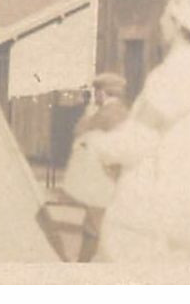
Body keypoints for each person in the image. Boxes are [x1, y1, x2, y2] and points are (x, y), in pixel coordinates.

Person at [86, 0, 190, 264]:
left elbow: (136, 142)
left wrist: (95, 145)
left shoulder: (170, 76)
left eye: (165, 17)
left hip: (143, 218)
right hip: (186, 211)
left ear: (177, 24)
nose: (160, 24)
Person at [67, 72, 131, 262]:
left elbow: (79, 134)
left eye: (97, 91)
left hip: (102, 178)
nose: (95, 95)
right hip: (120, 177)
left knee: (93, 229)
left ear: (103, 93)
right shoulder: (126, 113)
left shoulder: (102, 115)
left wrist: (87, 115)